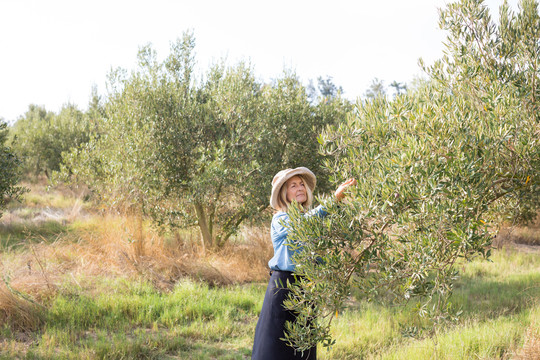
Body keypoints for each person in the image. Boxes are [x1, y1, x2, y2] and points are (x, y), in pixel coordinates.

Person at [252, 167, 356, 360]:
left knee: (303, 349)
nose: (300, 188)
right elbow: (303, 225)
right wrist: (333, 200)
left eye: (302, 184)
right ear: (284, 193)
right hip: (284, 288)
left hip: (306, 288)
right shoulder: (280, 218)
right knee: (275, 348)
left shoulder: (308, 219)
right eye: (293, 185)